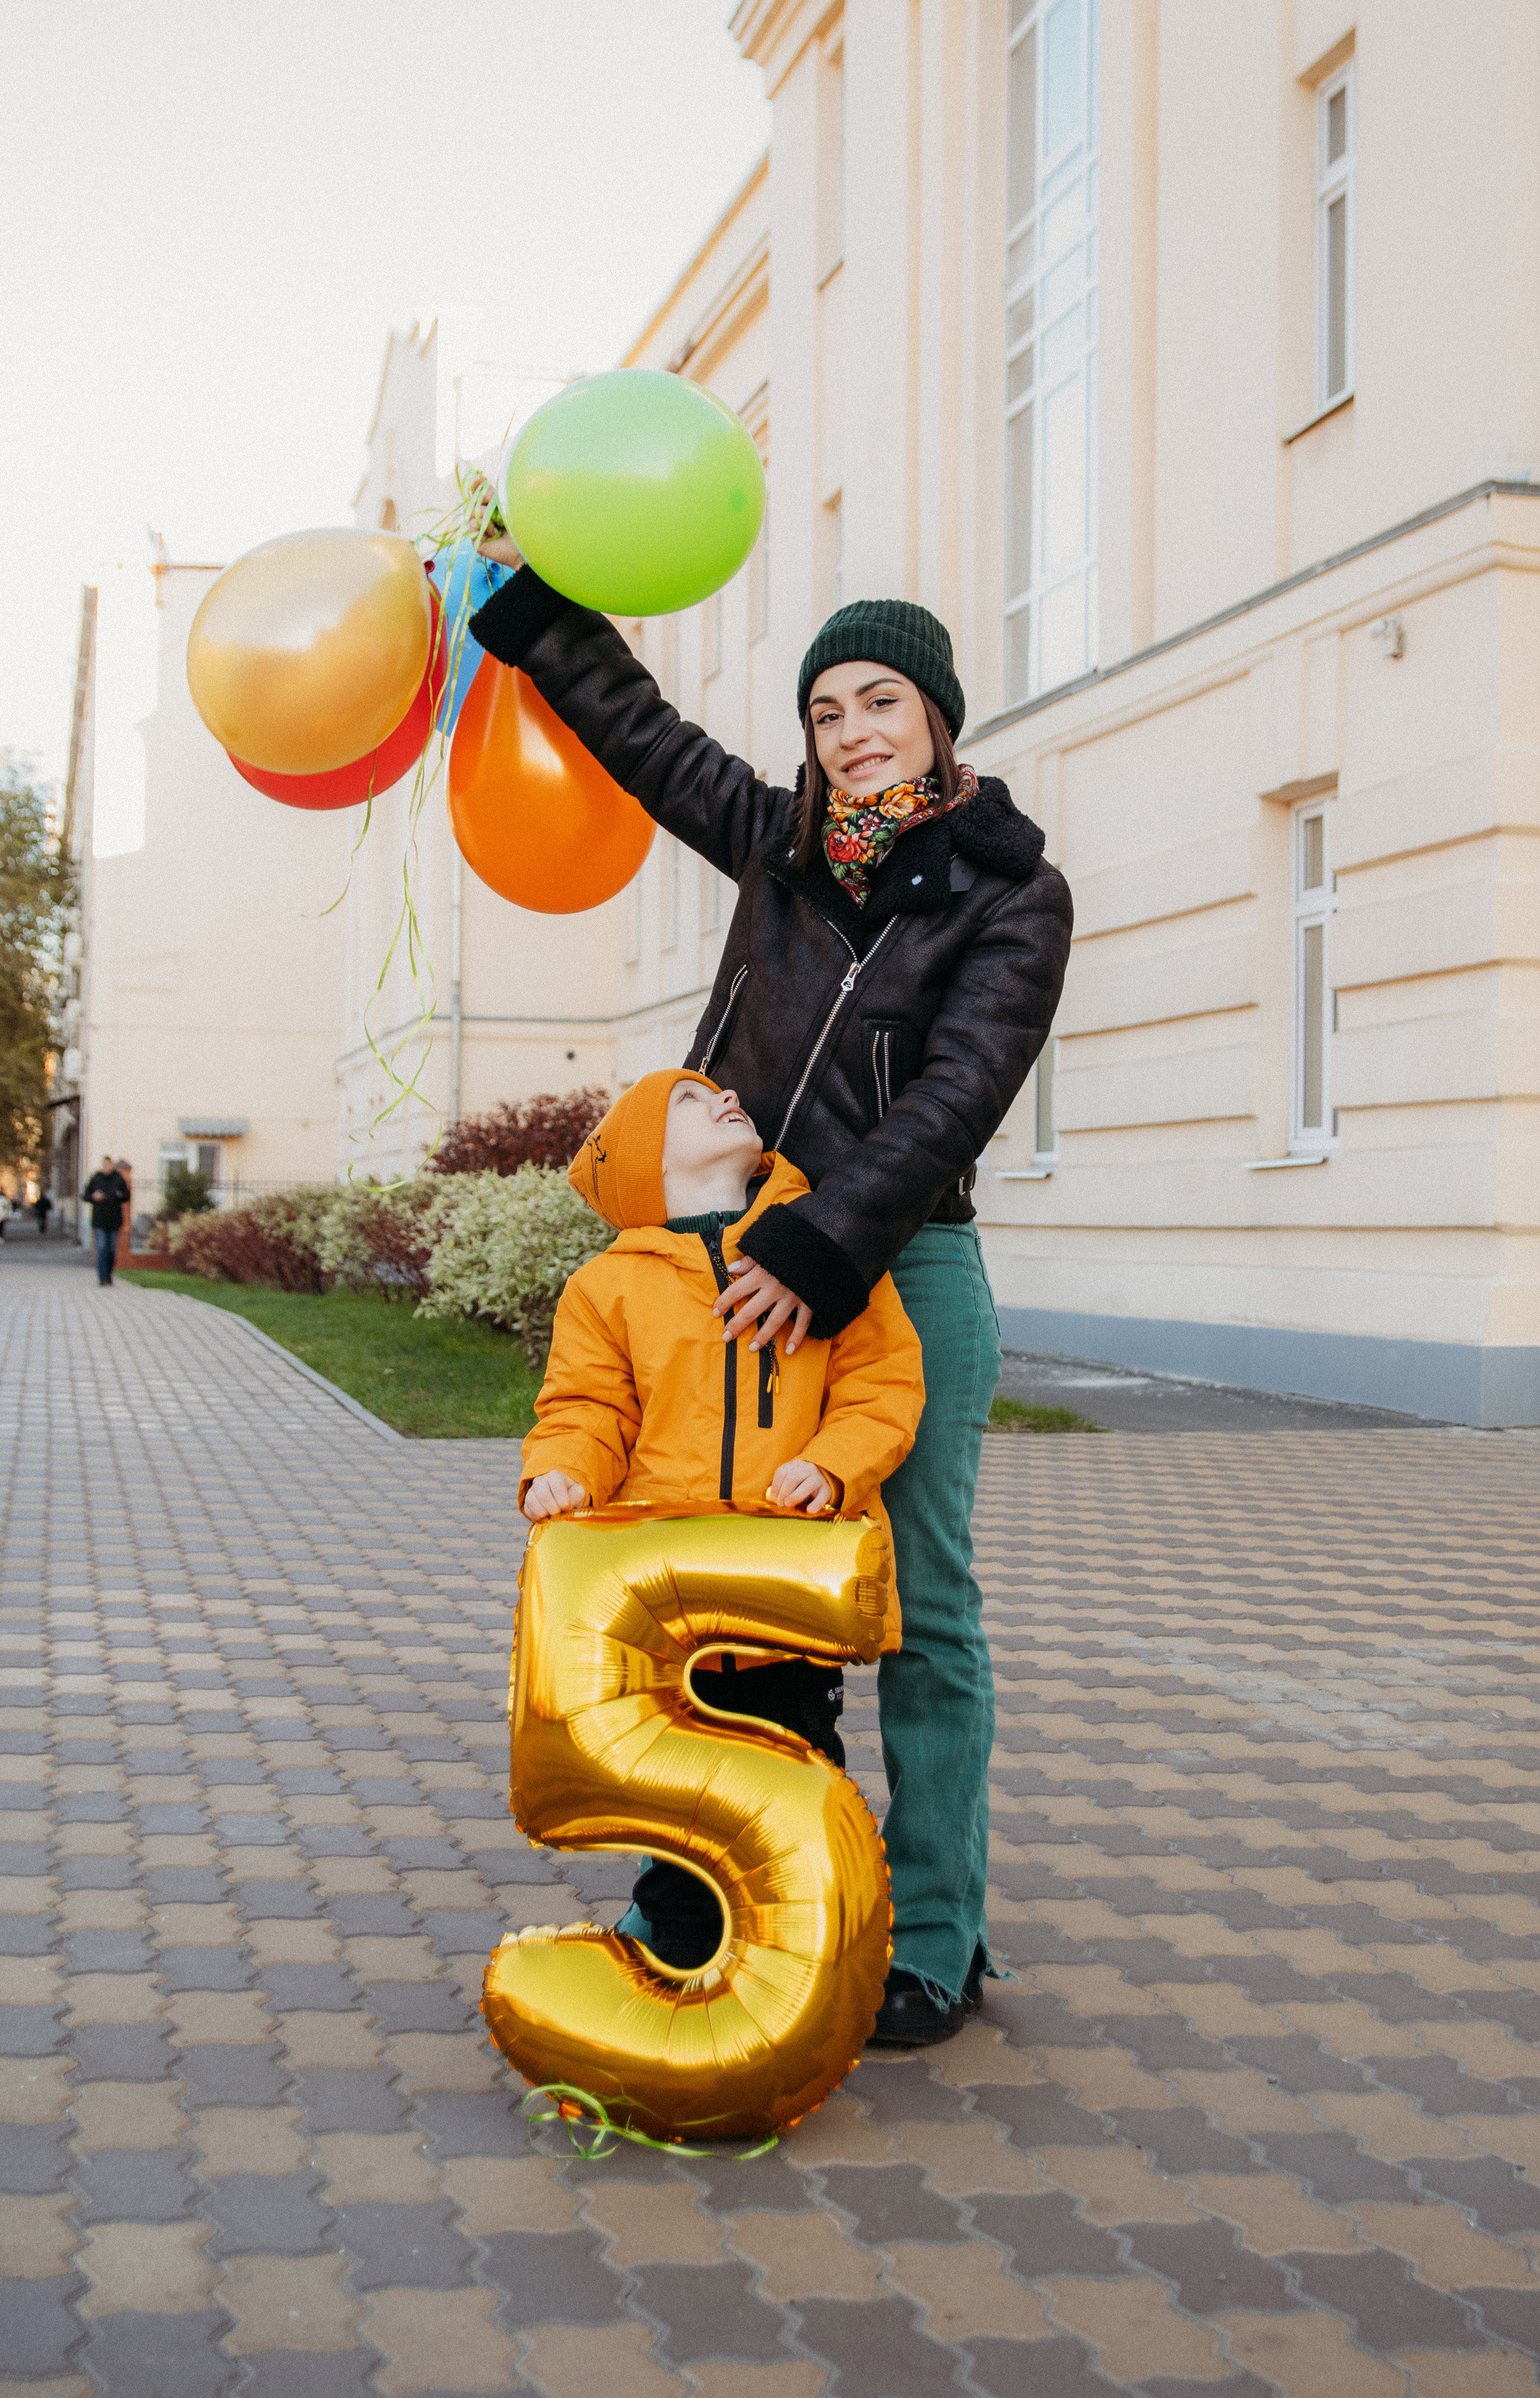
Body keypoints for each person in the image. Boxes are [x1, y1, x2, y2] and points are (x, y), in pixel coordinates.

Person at [472, 550, 1072, 2044]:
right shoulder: (777, 844)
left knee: (918, 1606)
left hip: (900, 1262)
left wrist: (829, 1246)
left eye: (880, 699)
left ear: (937, 718)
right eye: (824, 708)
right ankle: (708, 1884)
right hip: (728, 1258)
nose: (852, 728)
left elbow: (959, 1093)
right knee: (708, 1582)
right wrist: (528, 609)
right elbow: (640, 728)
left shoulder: (1015, 894)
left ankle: (936, 1930)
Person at [522, 1066, 925, 1973]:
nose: (728, 1099)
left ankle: (794, 1957)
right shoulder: (605, 1289)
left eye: (721, 1093)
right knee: (685, 1802)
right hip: (669, 1615)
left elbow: (882, 1383)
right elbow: (586, 1409)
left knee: (797, 1776)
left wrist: (830, 1466)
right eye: (691, 1106)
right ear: (644, 1166)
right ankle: (685, 1965)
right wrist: (559, 1473)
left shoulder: (825, 1251)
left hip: (786, 1601)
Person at [82, 1155, 129, 1286]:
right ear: (102, 1165)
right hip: (99, 1220)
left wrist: (118, 1195)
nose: (107, 1167)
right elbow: (85, 1196)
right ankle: (102, 1278)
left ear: (112, 1165)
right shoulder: (96, 1178)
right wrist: (94, 1196)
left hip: (114, 1220)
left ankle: (109, 1276)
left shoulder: (118, 1179)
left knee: (112, 1250)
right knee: (102, 1248)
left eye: (109, 1164)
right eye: (105, 1165)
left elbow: (126, 1196)